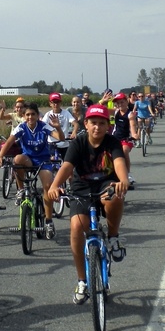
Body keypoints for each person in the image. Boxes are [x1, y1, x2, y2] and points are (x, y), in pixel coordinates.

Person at [46, 105, 128, 304]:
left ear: (108, 126)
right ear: (86, 124)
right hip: (81, 186)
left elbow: (118, 162)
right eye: (93, 123)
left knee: (112, 197)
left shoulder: (112, 142)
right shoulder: (79, 142)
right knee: (75, 227)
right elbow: (67, 166)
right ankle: (82, 281)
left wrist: (123, 180)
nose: (97, 128)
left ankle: (113, 238)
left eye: (102, 123)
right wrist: (55, 186)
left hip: (106, 183)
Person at [0, 102, 64, 236]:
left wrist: (58, 128)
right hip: (28, 158)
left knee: (48, 186)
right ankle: (21, 190)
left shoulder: (43, 126)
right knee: (17, 159)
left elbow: (60, 138)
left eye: (33, 114)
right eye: (27, 115)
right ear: (24, 116)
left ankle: (48, 221)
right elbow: (9, 142)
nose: (30, 117)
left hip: (43, 160)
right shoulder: (21, 127)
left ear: (38, 115)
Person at [111, 92, 137, 184]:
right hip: (115, 138)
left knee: (124, 150)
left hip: (126, 139)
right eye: (118, 103)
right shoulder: (116, 111)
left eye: (122, 102)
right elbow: (102, 110)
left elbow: (132, 125)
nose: (120, 105)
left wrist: (134, 135)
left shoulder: (130, 114)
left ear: (126, 102)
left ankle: (128, 174)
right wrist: (103, 101)